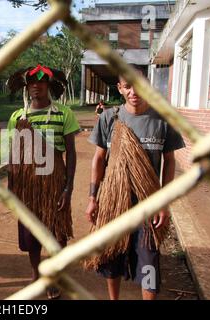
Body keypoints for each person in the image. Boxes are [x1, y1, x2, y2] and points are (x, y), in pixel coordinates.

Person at [84, 66, 185, 300]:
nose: (133, 91)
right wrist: (92, 198)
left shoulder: (163, 119)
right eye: (127, 86)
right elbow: (99, 159)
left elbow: (169, 163)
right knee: (112, 254)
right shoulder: (110, 118)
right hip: (113, 200)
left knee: (148, 258)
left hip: (147, 201)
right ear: (120, 88)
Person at [6, 64, 80, 299]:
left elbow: (71, 152)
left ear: (49, 85)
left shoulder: (64, 114)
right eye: (31, 82)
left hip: (55, 180)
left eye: (41, 82)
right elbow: (13, 153)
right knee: (31, 232)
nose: (36, 86)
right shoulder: (18, 117)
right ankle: (36, 273)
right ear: (26, 87)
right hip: (27, 184)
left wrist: (68, 187)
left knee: (57, 232)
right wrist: (12, 186)